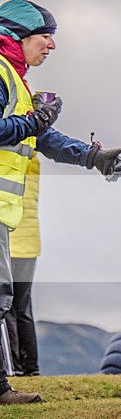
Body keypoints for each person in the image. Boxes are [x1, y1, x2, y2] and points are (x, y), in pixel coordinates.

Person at [0, 0, 121, 405]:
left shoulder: (15, 78)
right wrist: (34, 121)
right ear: (18, 36)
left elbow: (38, 139)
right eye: (46, 36)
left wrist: (91, 156)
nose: (51, 46)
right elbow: (20, 129)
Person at [6, 153, 42, 377]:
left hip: (8, 241)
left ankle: (14, 366)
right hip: (30, 243)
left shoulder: (8, 160)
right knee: (23, 306)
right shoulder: (33, 159)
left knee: (6, 305)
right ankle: (31, 368)